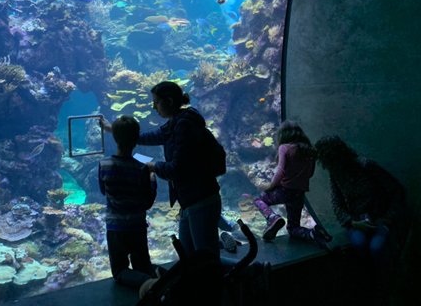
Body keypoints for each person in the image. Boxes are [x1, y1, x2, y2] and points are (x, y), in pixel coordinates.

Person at [104, 81, 223, 260]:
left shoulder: (184, 126)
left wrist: (152, 166)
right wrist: (115, 130)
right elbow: (151, 137)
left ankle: (250, 274)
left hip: (201, 199)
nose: (154, 107)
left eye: (156, 102)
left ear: (168, 101)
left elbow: (177, 169)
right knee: (191, 258)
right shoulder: (177, 121)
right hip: (190, 200)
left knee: (206, 259)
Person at [314, 135, 408, 289]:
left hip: (380, 219)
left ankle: (386, 285)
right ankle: (368, 284)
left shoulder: (367, 166)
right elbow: (336, 203)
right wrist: (352, 222)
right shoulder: (335, 173)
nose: (327, 165)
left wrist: (386, 219)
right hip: (356, 222)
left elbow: (398, 192)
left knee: (377, 248)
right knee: (359, 243)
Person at [98, 115, 158, 289]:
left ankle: (146, 283)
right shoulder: (142, 167)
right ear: (136, 139)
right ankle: (156, 280)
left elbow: (104, 191)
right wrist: (152, 178)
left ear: (115, 138)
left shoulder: (104, 164)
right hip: (137, 226)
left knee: (119, 271)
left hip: (115, 227)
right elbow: (147, 202)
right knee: (143, 265)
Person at [252, 120, 330, 246]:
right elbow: (310, 174)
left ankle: (273, 218)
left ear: (284, 135)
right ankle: (314, 233)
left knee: (258, 200)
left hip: (284, 190)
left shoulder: (285, 148)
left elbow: (280, 171)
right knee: (293, 228)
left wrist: (270, 186)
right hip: (299, 194)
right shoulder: (310, 151)